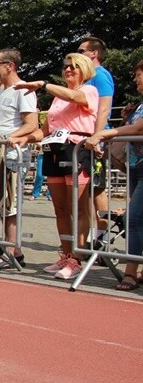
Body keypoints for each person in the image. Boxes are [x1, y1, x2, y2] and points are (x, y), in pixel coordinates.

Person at [16, 53, 100, 280]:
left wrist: (43, 85)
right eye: (66, 67)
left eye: (74, 67)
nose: (68, 70)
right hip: (54, 149)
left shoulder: (89, 90)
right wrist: (24, 138)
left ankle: (77, 258)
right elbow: (45, 129)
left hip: (76, 149)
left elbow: (74, 96)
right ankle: (66, 253)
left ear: (84, 70)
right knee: (60, 209)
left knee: (78, 208)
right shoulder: (57, 99)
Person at [84, 59, 143, 290]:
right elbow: (134, 127)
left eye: (139, 75)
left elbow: (138, 128)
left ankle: (130, 272)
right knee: (138, 219)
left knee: (134, 218)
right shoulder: (139, 105)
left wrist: (104, 134)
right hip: (136, 166)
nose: (135, 80)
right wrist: (127, 119)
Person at [0, 48, 39, 269]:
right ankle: (7, 248)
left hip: (12, 155)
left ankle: (14, 251)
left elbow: (31, 124)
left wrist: (6, 138)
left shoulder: (23, 90)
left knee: (10, 206)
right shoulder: (3, 91)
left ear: (10, 66)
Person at [77, 36, 115, 245]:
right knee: (87, 190)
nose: (78, 55)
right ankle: (90, 235)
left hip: (95, 139)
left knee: (97, 188)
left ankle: (102, 236)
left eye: (81, 51)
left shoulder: (100, 75)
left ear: (94, 53)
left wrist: (97, 137)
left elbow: (104, 109)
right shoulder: (86, 78)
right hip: (84, 140)